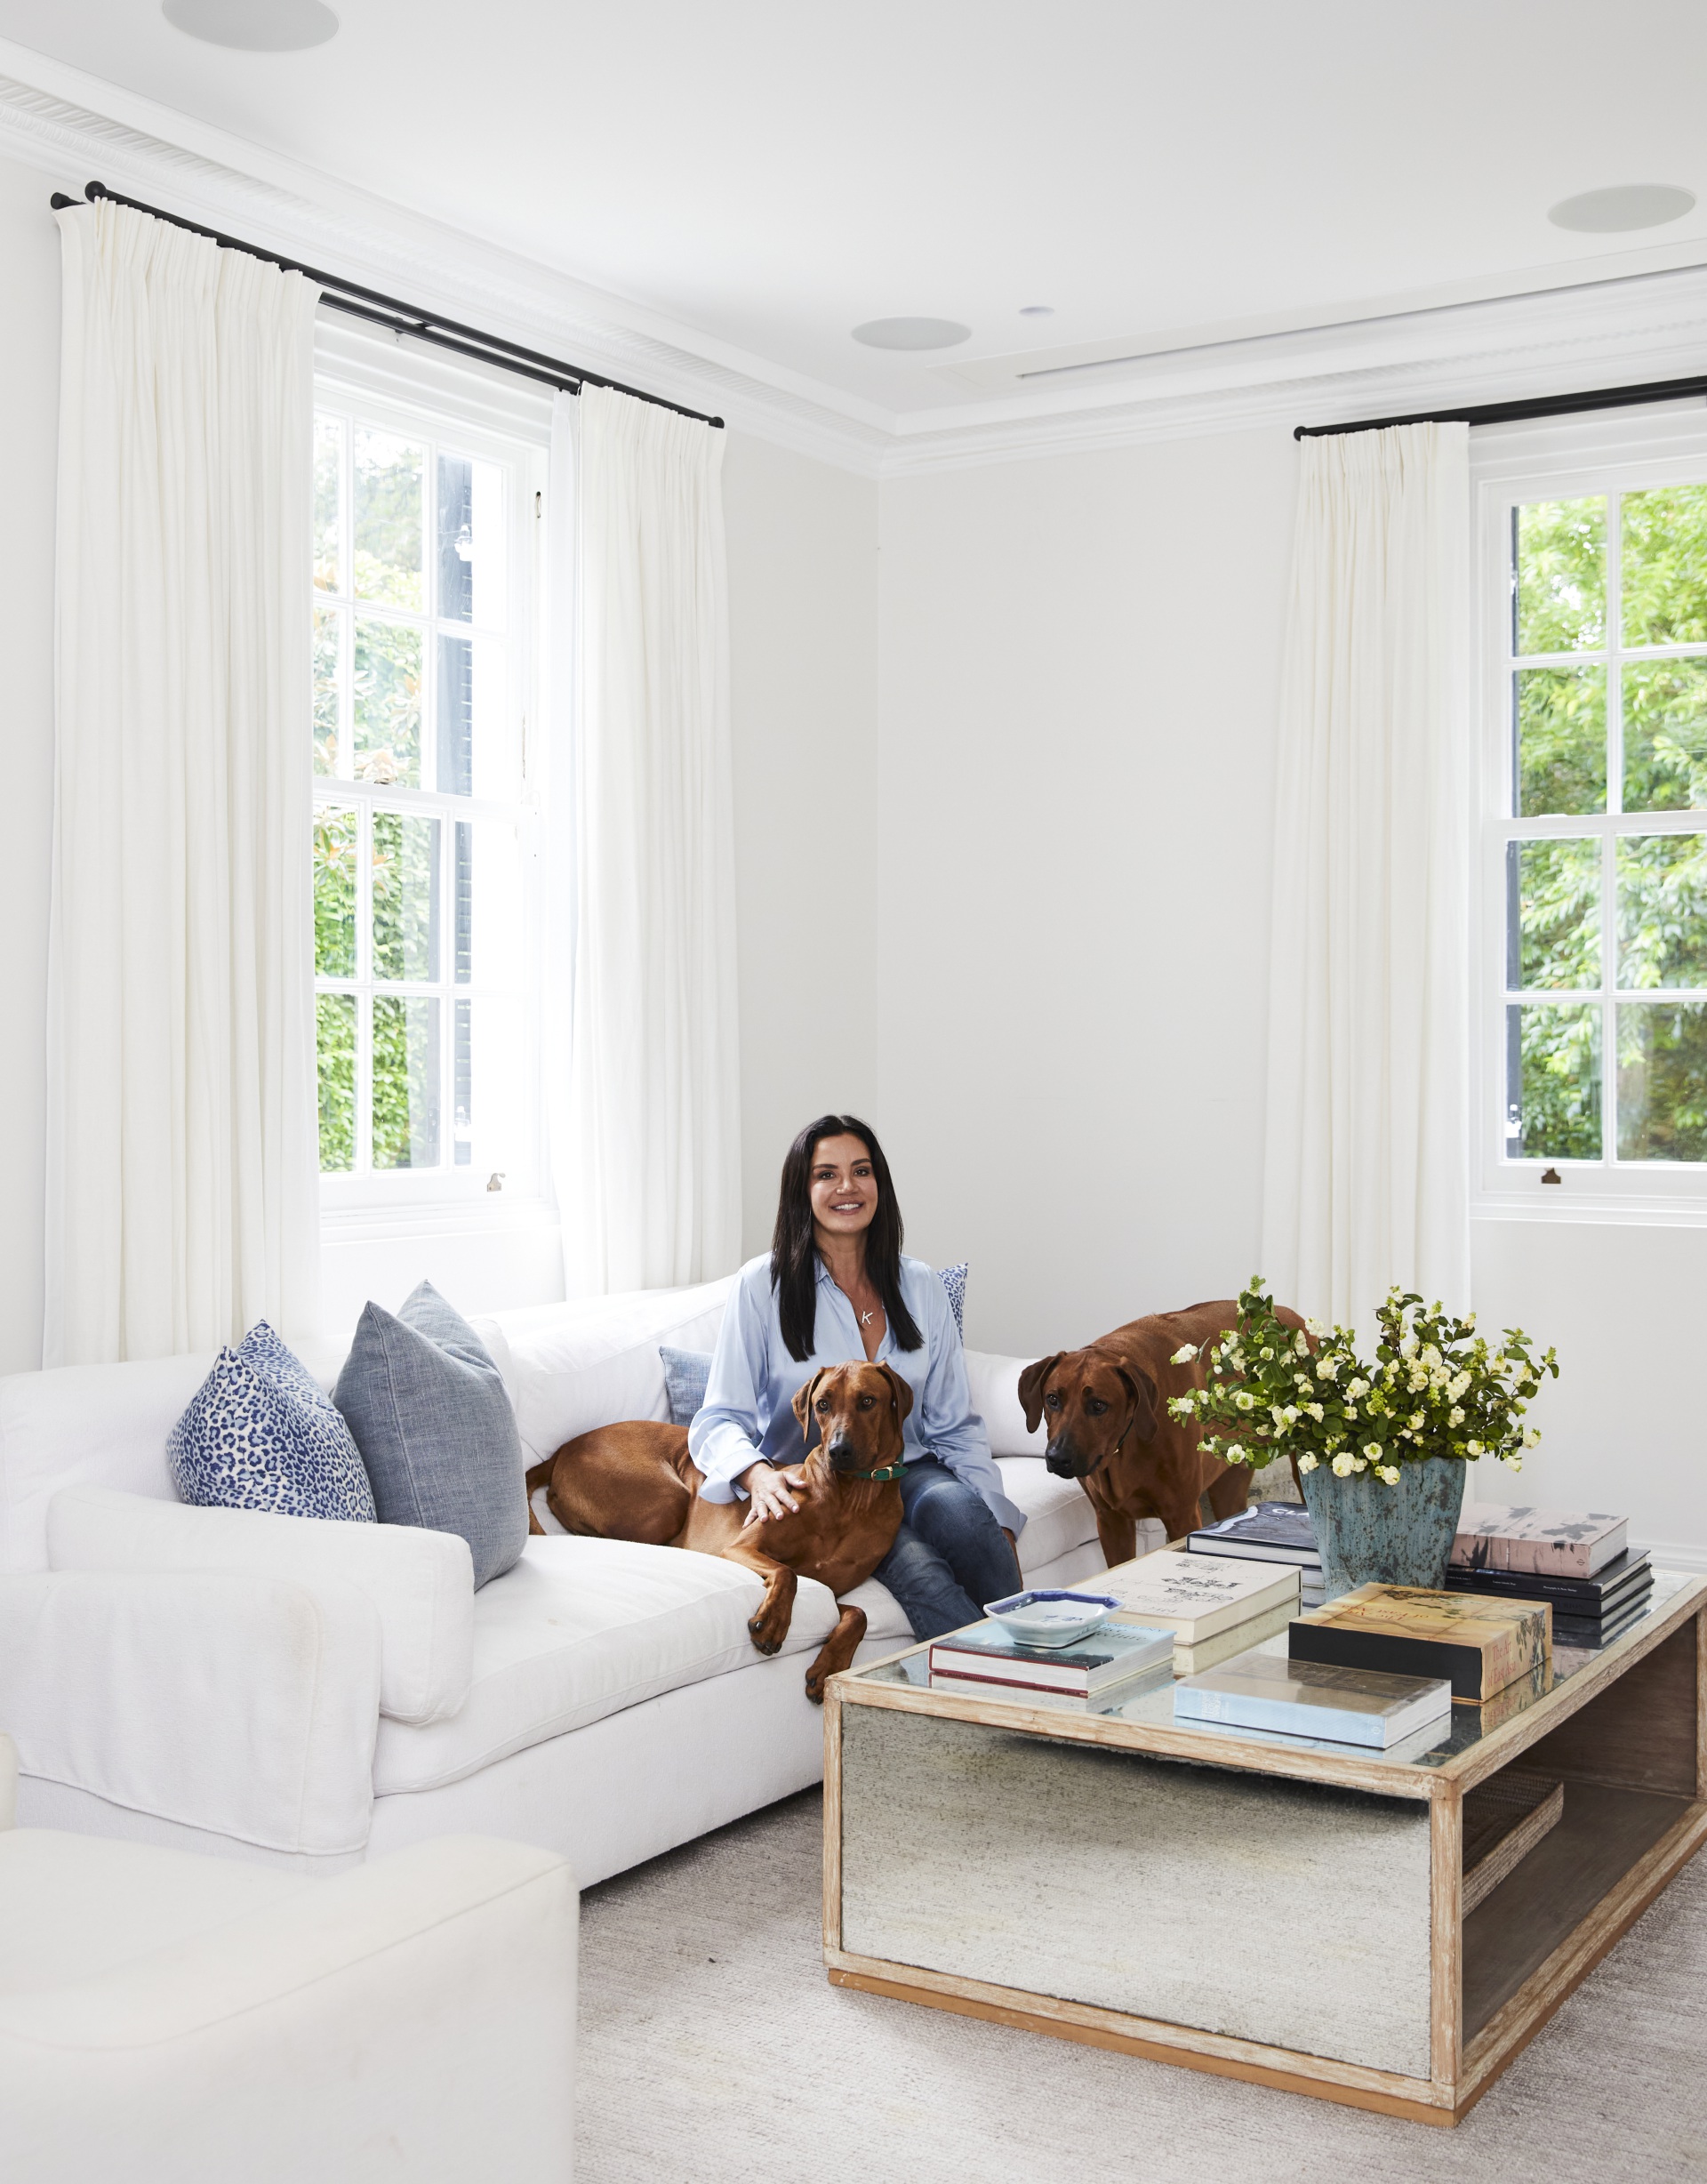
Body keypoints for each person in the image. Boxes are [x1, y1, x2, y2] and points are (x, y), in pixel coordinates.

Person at [690, 1113, 1024, 1640]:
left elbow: (954, 1424)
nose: (847, 1187)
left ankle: (1037, 1656)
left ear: (879, 1184)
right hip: (821, 1484)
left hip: (909, 1470)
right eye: (827, 1174)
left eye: (861, 1171)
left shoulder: (920, 1285)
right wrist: (756, 1476)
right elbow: (718, 1417)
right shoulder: (763, 1284)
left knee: (968, 1520)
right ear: (802, 1191)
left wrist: (995, 1519)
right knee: (922, 1574)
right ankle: (1001, 1681)